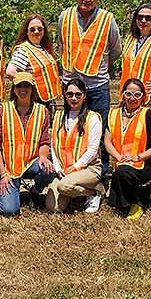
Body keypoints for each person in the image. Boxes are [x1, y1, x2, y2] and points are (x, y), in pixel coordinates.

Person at [56, 0, 121, 173]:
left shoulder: (107, 19)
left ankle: (100, 171)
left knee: (99, 129)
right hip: (72, 86)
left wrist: (101, 66)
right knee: (71, 128)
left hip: (97, 85)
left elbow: (116, 49)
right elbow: (62, 45)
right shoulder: (64, 17)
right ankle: (71, 167)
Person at [0, 72, 53, 216]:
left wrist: (43, 157)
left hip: (32, 162)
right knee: (10, 211)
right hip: (10, 167)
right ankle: (9, 187)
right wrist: (3, 174)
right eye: (19, 85)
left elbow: (44, 141)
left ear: (33, 89)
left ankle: (35, 191)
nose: (23, 89)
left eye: (27, 85)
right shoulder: (3, 110)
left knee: (49, 169)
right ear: (13, 89)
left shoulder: (42, 111)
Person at [104, 79, 151, 220]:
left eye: (137, 94)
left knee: (122, 173)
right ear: (123, 95)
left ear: (143, 97)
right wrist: (119, 158)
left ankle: (136, 204)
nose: (132, 98)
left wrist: (137, 157)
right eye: (128, 93)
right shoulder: (113, 113)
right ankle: (150, 188)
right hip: (122, 161)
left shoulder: (148, 114)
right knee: (122, 173)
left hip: (146, 162)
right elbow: (107, 142)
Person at [45, 77, 105, 213]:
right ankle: (76, 192)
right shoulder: (58, 116)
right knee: (53, 207)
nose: (74, 98)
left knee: (64, 186)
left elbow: (93, 150)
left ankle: (94, 193)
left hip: (88, 168)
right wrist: (57, 167)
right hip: (64, 170)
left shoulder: (92, 118)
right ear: (65, 95)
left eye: (78, 94)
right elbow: (53, 145)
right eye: (70, 94)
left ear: (84, 96)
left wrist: (74, 168)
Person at [5, 13, 61, 108]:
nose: (36, 32)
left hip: (46, 99)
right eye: (32, 29)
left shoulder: (43, 49)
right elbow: (10, 72)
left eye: (40, 29)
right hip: (33, 100)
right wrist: (28, 85)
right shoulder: (23, 50)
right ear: (26, 32)